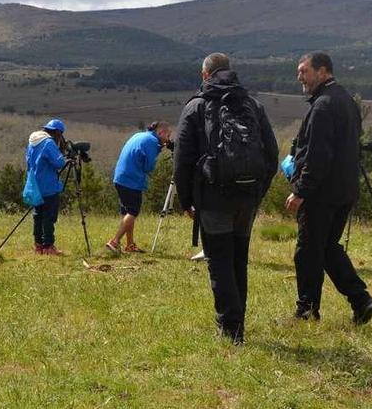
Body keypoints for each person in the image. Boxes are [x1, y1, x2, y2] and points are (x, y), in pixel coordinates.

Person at [174, 53, 278, 344]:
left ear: (205, 74)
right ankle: (237, 321)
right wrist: (258, 192)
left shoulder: (197, 106)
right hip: (247, 198)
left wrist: (186, 200)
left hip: (213, 197)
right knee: (238, 260)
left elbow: (182, 158)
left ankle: (231, 329)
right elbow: (271, 153)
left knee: (219, 261)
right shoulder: (252, 104)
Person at [285, 52, 372, 323]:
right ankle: (361, 300)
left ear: (323, 71)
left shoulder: (324, 105)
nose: (299, 76)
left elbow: (317, 155)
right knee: (327, 248)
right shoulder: (346, 101)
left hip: (321, 194)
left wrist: (301, 190)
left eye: (304, 71)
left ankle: (307, 310)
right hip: (344, 189)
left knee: (308, 251)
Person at [107, 121, 173, 253]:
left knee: (127, 212)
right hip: (132, 180)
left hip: (120, 177)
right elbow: (149, 167)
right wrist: (158, 149)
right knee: (133, 212)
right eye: (167, 135)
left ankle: (130, 244)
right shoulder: (152, 142)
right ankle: (114, 242)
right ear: (160, 132)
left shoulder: (140, 135)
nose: (168, 139)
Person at [26, 118, 67, 255]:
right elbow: (59, 163)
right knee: (49, 217)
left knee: (38, 215)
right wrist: (65, 157)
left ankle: (38, 245)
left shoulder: (33, 141)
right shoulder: (48, 142)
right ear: (57, 132)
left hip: (35, 185)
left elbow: (28, 160)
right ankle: (48, 246)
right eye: (60, 135)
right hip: (48, 185)